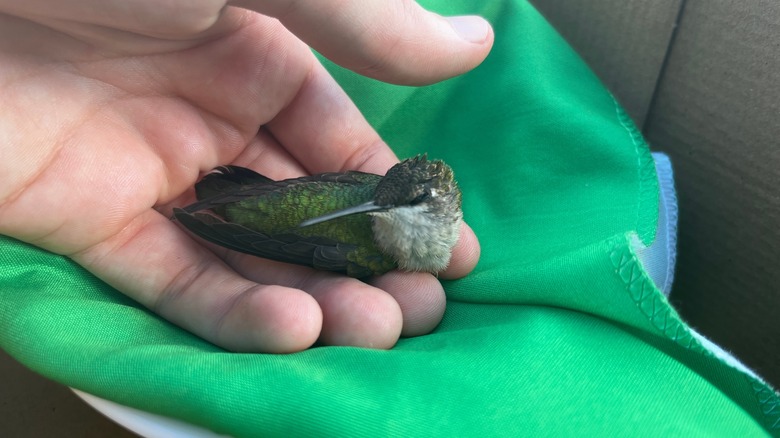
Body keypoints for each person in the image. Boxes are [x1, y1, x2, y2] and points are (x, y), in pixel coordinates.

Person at [0, 0, 490, 353]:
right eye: (379, 198)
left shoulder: (401, 231)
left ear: (437, 203)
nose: (374, 207)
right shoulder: (374, 229)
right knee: (279, 224)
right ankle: (231, 205)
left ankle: (229, 206)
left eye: (397, 206)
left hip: (284, 207)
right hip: (277, 204)